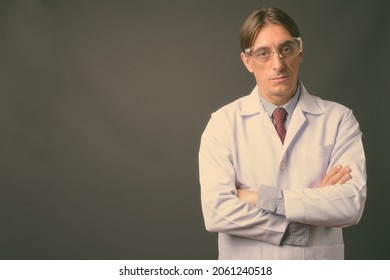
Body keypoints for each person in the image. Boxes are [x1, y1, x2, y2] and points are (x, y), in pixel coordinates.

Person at [198, 7, 367, 260]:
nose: (278, 64)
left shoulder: (339, 119)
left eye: (286, 49)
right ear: (247, 61)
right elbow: (217, 211)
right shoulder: (223, 123)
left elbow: (349, 205)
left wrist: (260, 198)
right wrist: (301, 219)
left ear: (300, 51)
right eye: (263, 53)